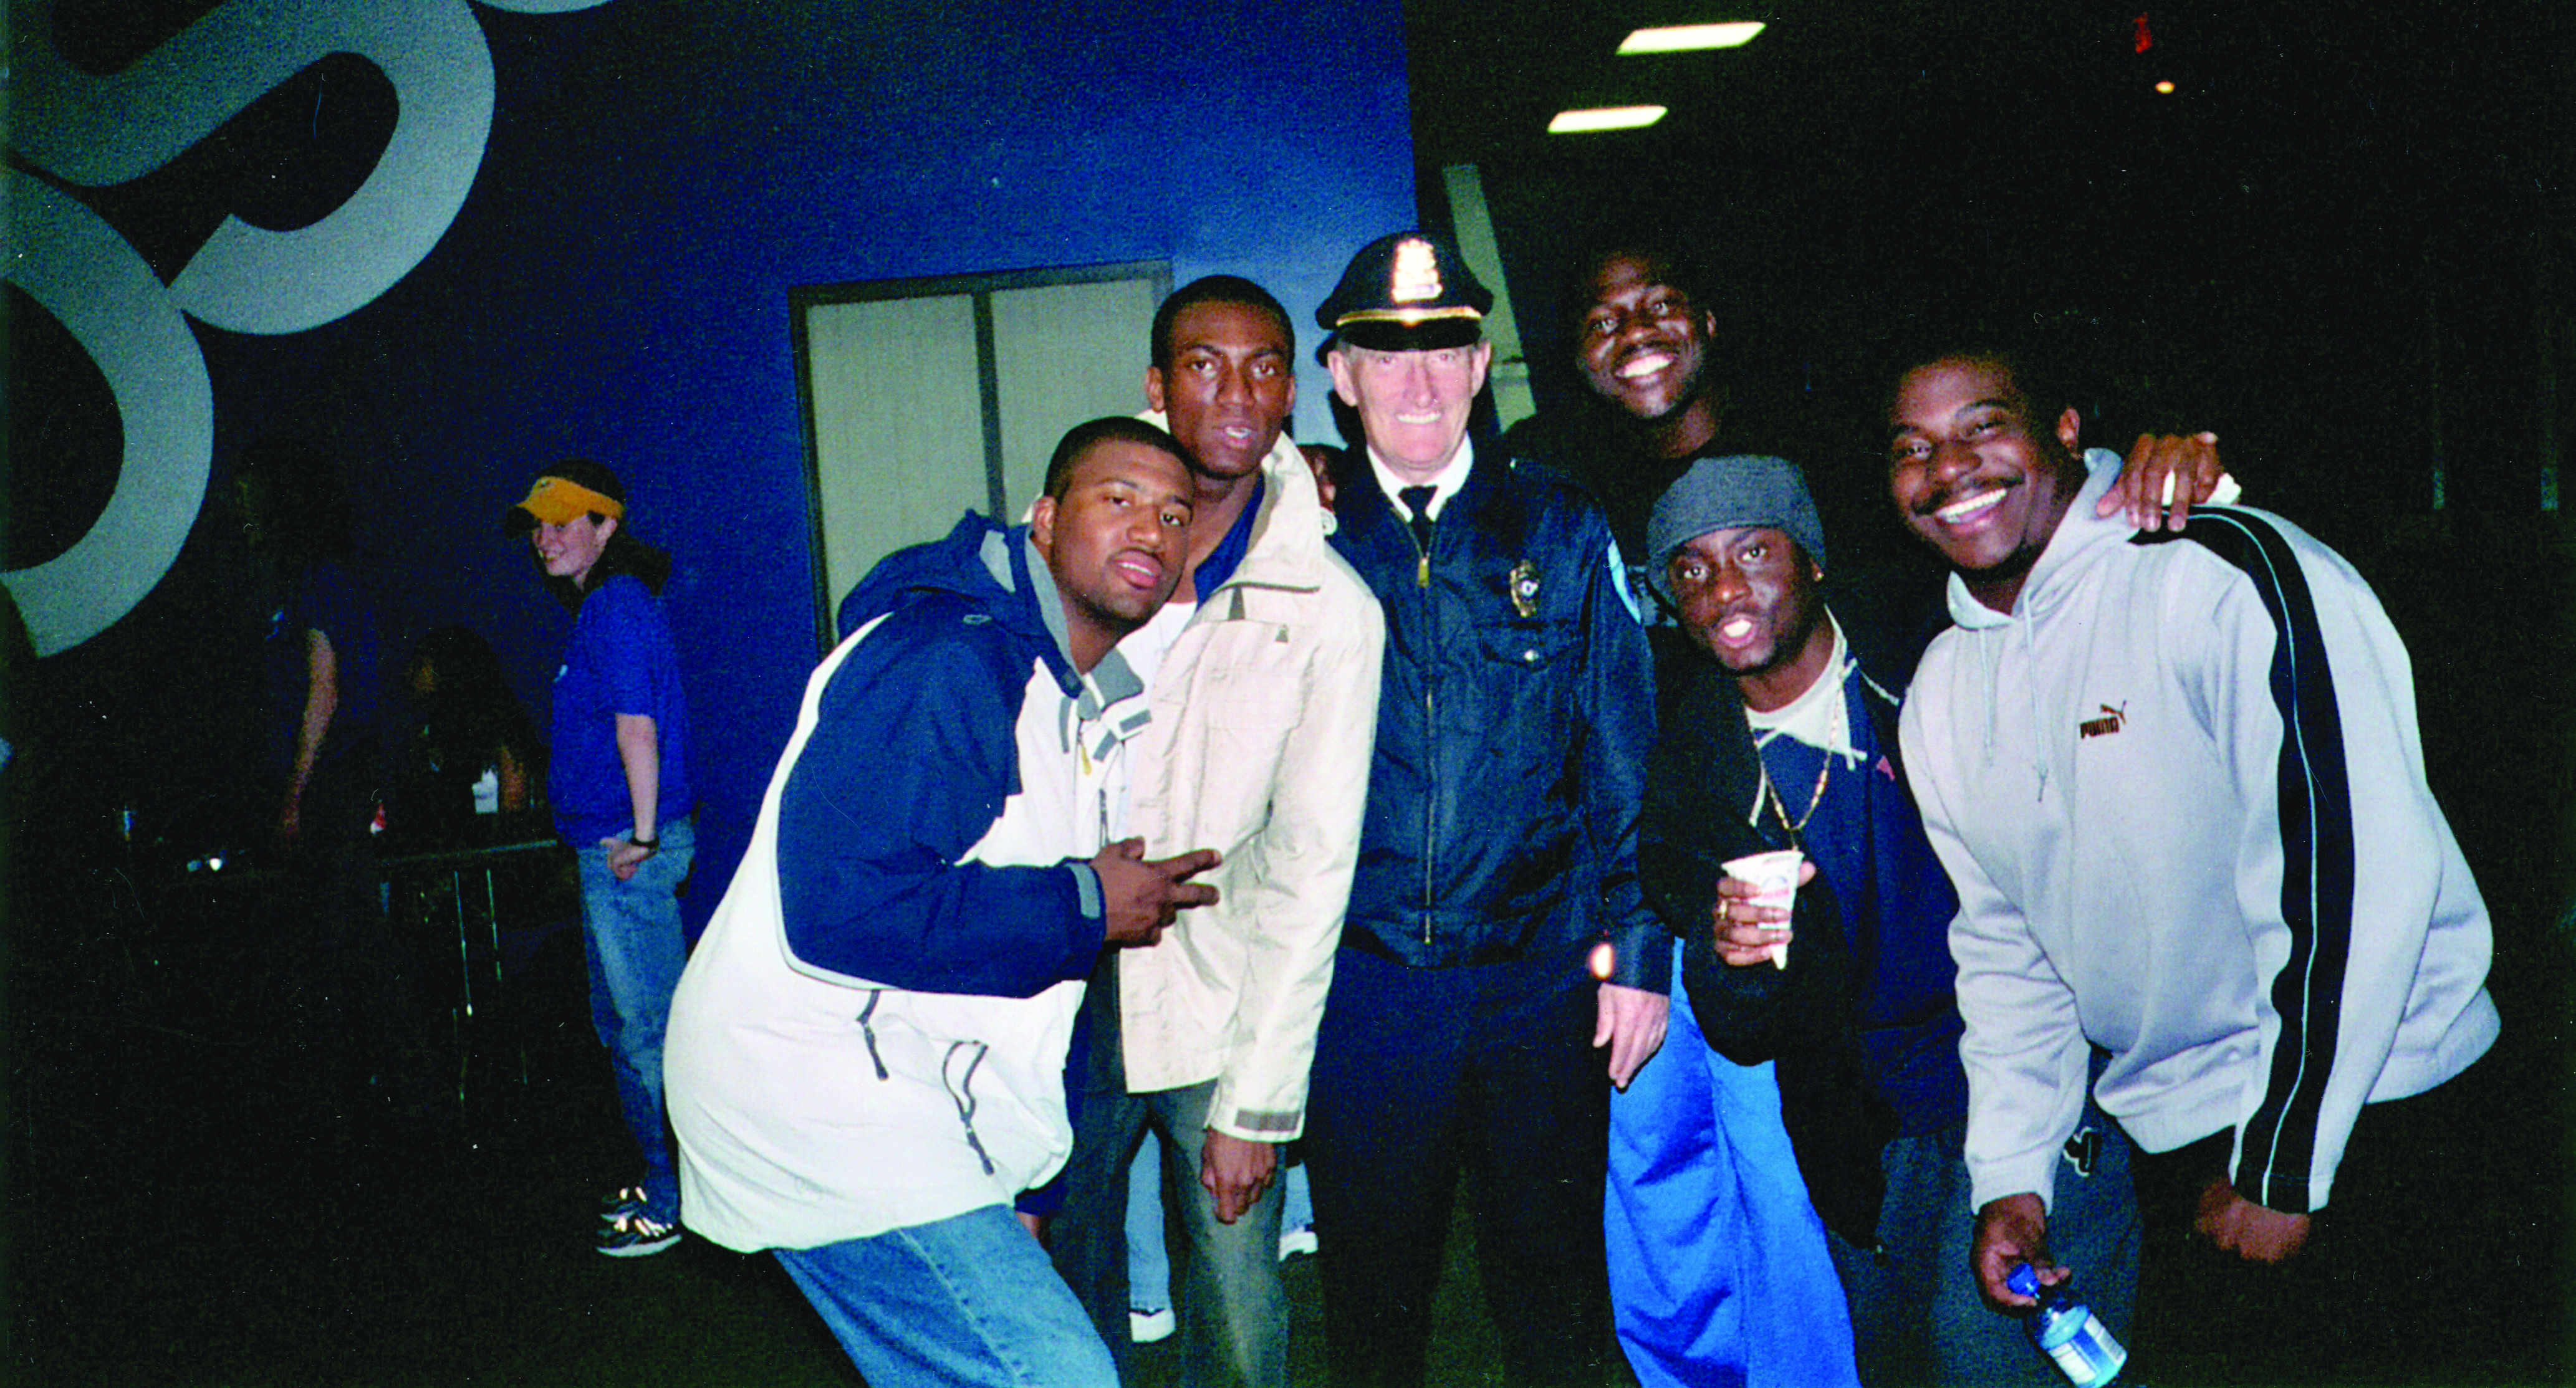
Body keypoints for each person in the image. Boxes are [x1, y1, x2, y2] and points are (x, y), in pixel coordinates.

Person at [1885, 340, 2502, 1386]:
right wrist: (2012, 1177)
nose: (1947, 468)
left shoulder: (2220, 568)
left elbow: (2348, 864)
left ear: (2064, 432)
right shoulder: (1942, 690)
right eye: (1911, 448)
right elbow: (2007, 956)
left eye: (1982, 426)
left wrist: (2284, 1164)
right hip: (2184, 1143)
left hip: (2375, 1112)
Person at [665, 419, 1225, 1388]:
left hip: (905, 1087)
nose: (1151, 528)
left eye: (1174, 513)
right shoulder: (950, 659)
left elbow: (1041, 985)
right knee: (1054, 1370)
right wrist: (1088, 903)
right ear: (1044, 521)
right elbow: (840, 907)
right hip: (813, 1089)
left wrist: (1028, 1170)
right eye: (1118, 498)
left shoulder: (1073, 696)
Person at [1638, 456, 2166, 1386]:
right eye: (1689, 568)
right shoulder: (1691, 768)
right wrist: (1732, 958)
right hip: (1863, 1141)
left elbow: (2091, 572)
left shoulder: (1936, 657)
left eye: (1754, 549)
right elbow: (1741, 1026)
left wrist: (2156, 472)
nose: (1723, 586)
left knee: (1998, 1361)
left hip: (2028, 1083)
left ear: (1813, 560)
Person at [1302, 230, 1667, 1388]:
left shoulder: (1559, 527)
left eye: (1444, 348)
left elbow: (1624, 756)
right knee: (1371, 1301)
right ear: (1340, 372)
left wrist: (1645, 955)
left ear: (1479, 364)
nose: (1417, 381)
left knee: (1551, 1290)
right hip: (1361, 990)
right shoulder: (1294, 537)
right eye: (1384, 351)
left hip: (1536, 984)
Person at [1037, 277, 1384, 1387]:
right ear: (1155, 384)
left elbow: (1311, 867)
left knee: (1239, 1308)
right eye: (1202, 364)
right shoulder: (1084, 531)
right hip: (1060, 991)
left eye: (1264, 366)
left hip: (1215, 1001)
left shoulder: (1330, 608)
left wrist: (1258, 1103)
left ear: (1293, 394)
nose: (1235, 392)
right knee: (1050, 1291)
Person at [502, 459, 697, 1256]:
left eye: (564, 523)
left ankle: (676, 1195)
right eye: (538, 526)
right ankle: (667, 1179)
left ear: (606, 528)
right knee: (627, 1026)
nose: (545, 539)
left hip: (625, 851)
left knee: (646, 1032)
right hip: (611, 848)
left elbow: (636, 730)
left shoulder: (614, 607)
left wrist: (643, 838)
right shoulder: (606, 608)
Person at [389, 625, 542, 844]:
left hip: (492, 855)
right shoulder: (428, 732)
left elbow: (514, 800)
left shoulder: (500, 720)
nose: (409, 673)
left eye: (421, 664)